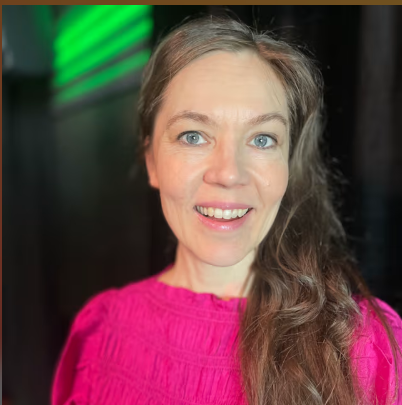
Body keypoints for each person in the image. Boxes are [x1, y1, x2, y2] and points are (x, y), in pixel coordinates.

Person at [51, 16, 402, 405]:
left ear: (288, 165)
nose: (229, 174)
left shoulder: (367, 346)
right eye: (193, 136)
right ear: (151, 160)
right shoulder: (100, 330)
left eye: (262, 139)